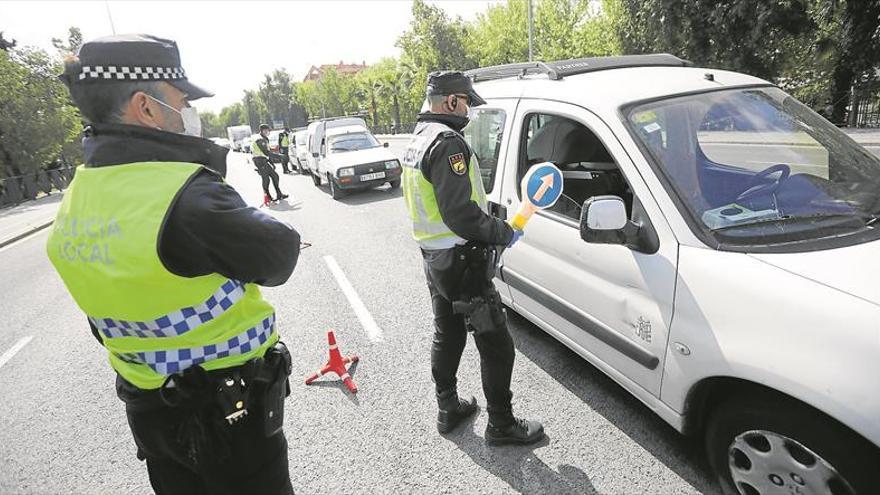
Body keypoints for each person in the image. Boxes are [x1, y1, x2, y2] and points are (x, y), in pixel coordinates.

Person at [49, 34, 300, 494]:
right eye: (182, 101)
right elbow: (280, 254)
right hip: (230, 416)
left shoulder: (77, 200)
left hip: (151, 415)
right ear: (145, 107)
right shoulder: (186, 197)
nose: (190, 113)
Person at [401, 71, 544, 445]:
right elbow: (461, 214)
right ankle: (501, 424)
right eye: (466, 102)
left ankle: (448, 406)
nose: (468, 111)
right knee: (496, 344)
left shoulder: (417, 140)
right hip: (462, 262)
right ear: (451, 101)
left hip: (435, 259)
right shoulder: (448, 143)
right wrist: (503, 231)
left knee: (447, 333)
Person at [253, 124, 288, 204]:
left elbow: (267, 153)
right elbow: (266, 152)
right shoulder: (260, 139)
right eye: (266, 130)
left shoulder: (265, 139)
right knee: (266, 179)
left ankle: (279, 194)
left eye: (268, 130)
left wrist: (272, 163)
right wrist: (280, 156)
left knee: (275, 176)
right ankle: (268, 197)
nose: (268, 132)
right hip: (259, 161)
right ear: (262, 131)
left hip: (264, 160)